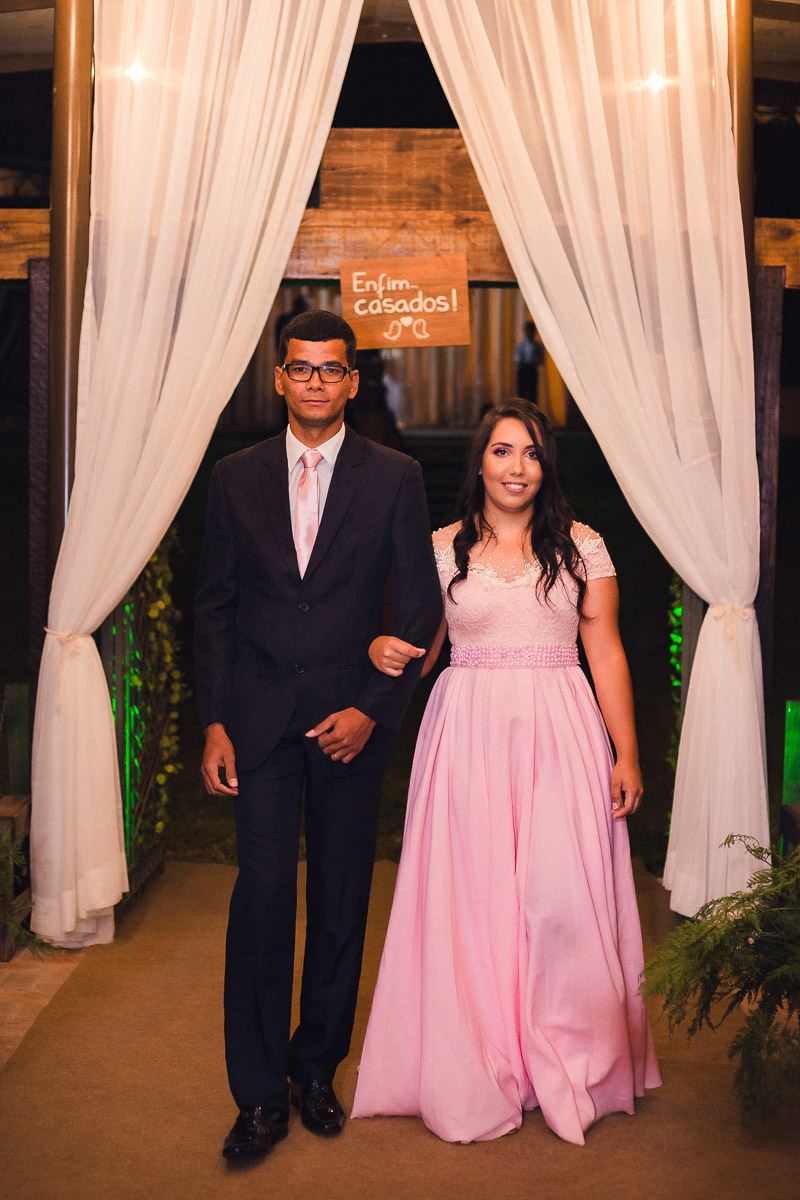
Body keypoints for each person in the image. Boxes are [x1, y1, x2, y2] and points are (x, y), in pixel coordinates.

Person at [351, 401, 661, 1145]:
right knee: (476, 897)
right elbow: (420, 653)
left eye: (530, 453)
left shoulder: (583, 547)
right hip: (467, 733)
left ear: (545, 465)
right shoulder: (439, 548)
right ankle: (484, 1058)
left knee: (558, 898)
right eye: (501, 452)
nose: (516, 467)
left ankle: (569, 1057)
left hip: (560, 729)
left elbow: (607, 653)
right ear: (479, 463)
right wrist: (377, 653)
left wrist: (627, 752)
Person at [194, 310, 442, 1162]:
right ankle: (259, 1096)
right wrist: (217, 722)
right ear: (279, 378)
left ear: (352, 381)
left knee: (339, 905)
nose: (315, 383)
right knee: (261, 903)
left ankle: (314, 1070)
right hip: (258, 721)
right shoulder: (234, 476)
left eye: (331, 371)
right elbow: (216, 606)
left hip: (349, 724)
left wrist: (375, 706)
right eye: (300, 370)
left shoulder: (395, 476)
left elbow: (417, 606)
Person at [513, 319, 544, 404]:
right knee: (521, 393)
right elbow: (516, 358)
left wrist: (534, 357)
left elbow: (541, 360)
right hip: (522, 369)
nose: (529, 332)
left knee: (532, 394)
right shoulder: (521, 345)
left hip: (532, 370)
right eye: (527, 330)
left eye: (531, 330)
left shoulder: (537, 346)